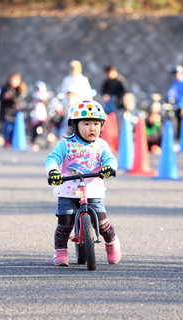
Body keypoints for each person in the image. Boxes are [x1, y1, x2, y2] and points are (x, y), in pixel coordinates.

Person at [45, 100, 121, 266]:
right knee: (65, 224)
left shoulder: (101, 145)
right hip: (68, 190)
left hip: (93, 189)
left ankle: (111, 243)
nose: (92, 128)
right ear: (74, 125)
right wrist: (53, 171)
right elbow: (52, 159)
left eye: (96, 123)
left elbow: (110, 159)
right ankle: (60, 250)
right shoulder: (66, 144)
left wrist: (108, 168)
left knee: (102, 224)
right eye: (86, 123)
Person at [0, 72, 28, 148]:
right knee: (7, 127)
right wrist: (5, 97)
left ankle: (12, 141)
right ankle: (7, 141)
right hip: (6, 112)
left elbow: (20, 99)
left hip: (16, 113)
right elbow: (0, 98)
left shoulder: (21, 89)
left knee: (14, 128)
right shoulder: (5, 88)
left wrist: (12, 97)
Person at [29, 81, 49, 149]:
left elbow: (46, 101)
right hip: (36, 113)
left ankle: (46, 140)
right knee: (35, 127)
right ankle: (33, 142)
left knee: (45, 127)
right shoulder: (36, 94)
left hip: (42, 113)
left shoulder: (45, 94)